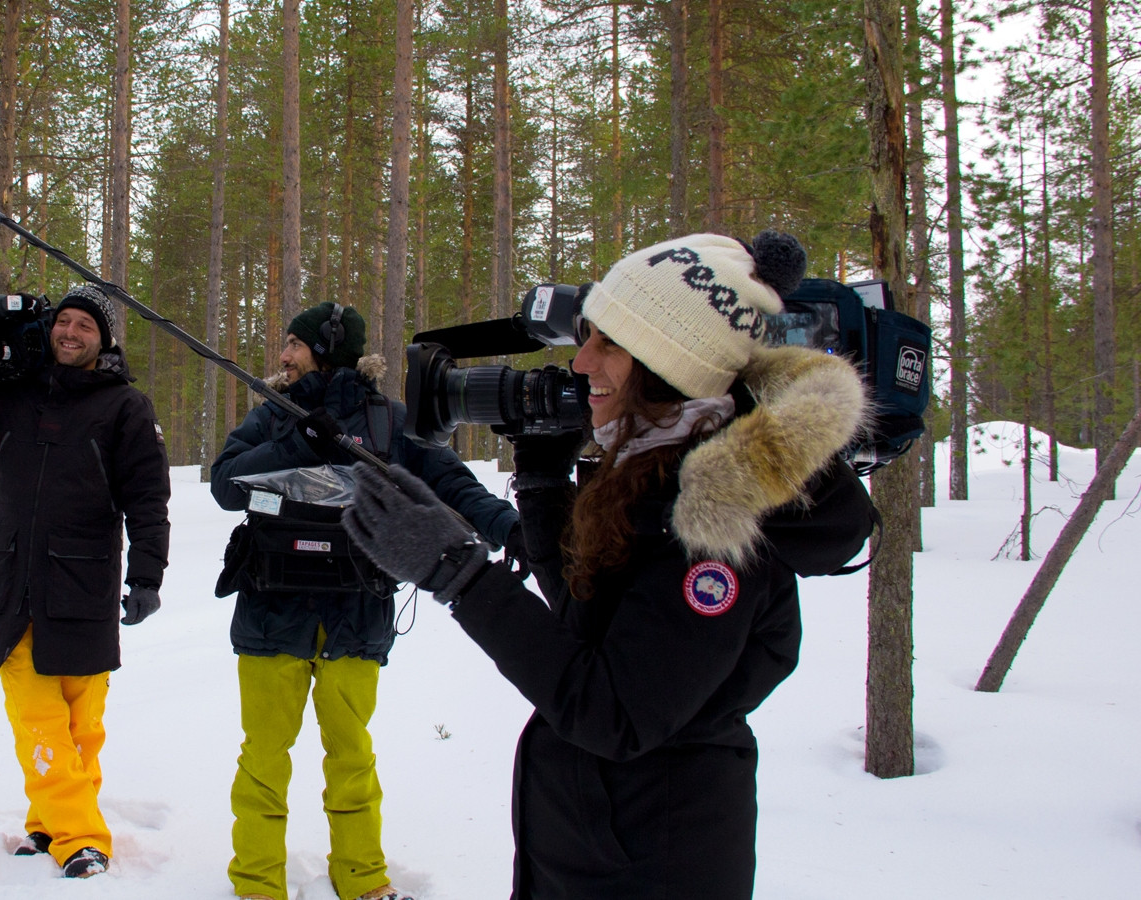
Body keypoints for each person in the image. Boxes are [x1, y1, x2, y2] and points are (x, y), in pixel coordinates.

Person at [342, 232, 877, 899]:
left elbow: (614, 713)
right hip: (590, 840)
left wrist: (457, 573)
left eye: (609, 344)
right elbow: (584, 618)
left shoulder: (718, 519)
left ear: (670, 366)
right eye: (586, 336)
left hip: (654, 862)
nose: (581, 362)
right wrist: (540, 479)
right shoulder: (653, 466)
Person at [210, 301, 520, 900]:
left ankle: (362, 879)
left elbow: (451, 482)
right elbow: (227, 484)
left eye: (294, 346)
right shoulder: (272, 416)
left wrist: (509, 527)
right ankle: (255, 884)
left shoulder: (389, 421)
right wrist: (296, 443)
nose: (283, 356)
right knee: (264, 759)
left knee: (351, 757)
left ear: (324, 352)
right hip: (271, 612)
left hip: (357, 614)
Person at [0, 285, 171, 879]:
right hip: (12, 583)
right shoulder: (12, 394)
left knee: (80, 725)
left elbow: (148, 499)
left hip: (85, 584)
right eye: (63, 321)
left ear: (105, 340)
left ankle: (48, 820)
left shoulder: (125, 407)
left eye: (84, 326)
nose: (70, 332)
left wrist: (147, 575)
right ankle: (80, 837)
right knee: (38, 720)